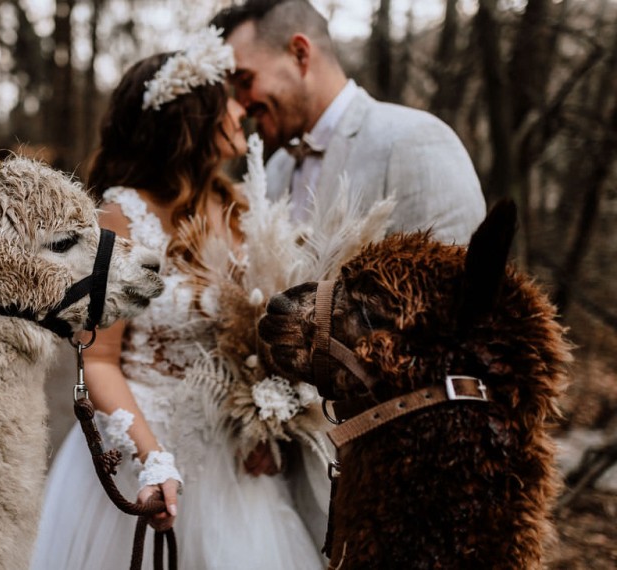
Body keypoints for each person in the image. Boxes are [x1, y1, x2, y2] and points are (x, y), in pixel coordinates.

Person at [30, 26, 326, 570]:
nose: (241, 112)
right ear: (190, 120)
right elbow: (97, 360)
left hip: (232, 463)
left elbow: (245, 343)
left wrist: (263, 424)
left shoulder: (240, 211)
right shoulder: (120, 216)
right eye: (227, 102)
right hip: (143, 447)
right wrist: (152, 459)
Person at [211, 0, 486, 243]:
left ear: (300, 54)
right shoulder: (274, 171)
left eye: (246, 81)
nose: (242, 103)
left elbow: (454, 290)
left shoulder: (416, 140)